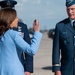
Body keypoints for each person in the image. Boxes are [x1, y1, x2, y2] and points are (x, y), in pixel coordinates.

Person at [0, 8, 42, 75]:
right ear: (9, 19)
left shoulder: (2, 34)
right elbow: (31, 50)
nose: (17, 19)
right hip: (14, 71)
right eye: (15, 17)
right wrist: (36, 32)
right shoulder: (14, 34)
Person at [52, 0, 75, 75]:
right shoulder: (60, 26)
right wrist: (56, 69)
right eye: (68, 9)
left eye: (72, 9)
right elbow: (56, 49)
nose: (70, 12)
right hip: (67, 70)